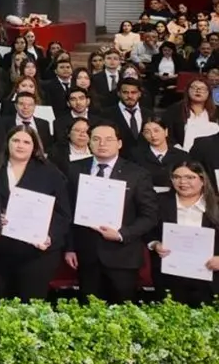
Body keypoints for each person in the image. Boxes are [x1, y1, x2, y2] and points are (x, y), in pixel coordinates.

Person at [64, 122, 159, 303]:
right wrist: (70, 247)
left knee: (122, 311)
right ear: (89, 142)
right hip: (86, 255)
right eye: (96, 139)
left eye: (109, 139)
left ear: (119, 143)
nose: (102, 144)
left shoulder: (137, 174)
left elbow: (150, 216)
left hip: (123, 256)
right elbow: (67, 211)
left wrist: (122, 234)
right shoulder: (74, 169)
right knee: (87, 311)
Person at [0, 127, 70, 302]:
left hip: (37, 253)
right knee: (5, 305)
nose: (20, 145)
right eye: (16, 140)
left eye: (26, 142)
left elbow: (63, 213)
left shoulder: (50, 172)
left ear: (34, 146)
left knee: (32, 305)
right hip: (3, 249)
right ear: (7, 143)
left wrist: (50, 236)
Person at [147, 159, 219, 306]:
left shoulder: (216, 205)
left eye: (190, 177)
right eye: (177, 177)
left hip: (209, 278)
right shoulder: (159, 202)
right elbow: (147, 231)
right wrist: (155, 244)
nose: (183, 182)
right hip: (169, 276)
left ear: (203, 180)